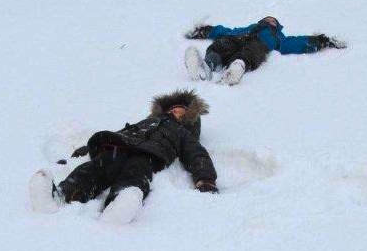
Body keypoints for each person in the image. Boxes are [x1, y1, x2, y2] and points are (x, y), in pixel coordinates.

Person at [28, 90, 219, 225]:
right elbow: (124, 133)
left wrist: (206, 178)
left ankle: (120, 203)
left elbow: (196, 154)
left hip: (150, 154)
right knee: (96, 167)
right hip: (121, 146)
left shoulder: (182, 133)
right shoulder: (148, 121)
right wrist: (84, 152)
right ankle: (61, 195)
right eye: (172, 109)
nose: (174, 112)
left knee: (137, 172)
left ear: (189, 119)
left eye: (180, 112)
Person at [184, 16, 347, 85]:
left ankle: (237, 68)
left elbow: (299, 42)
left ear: (277, 26)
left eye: (273, 21)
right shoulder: (246, 28)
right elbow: (224, 30)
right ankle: (206, 66)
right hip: (235, 40)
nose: (270, 21)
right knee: (222, 43)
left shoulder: (278, 38)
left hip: (257, 45)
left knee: (253, 51)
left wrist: (322, 40)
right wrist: (204, 31)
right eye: (267, 19)